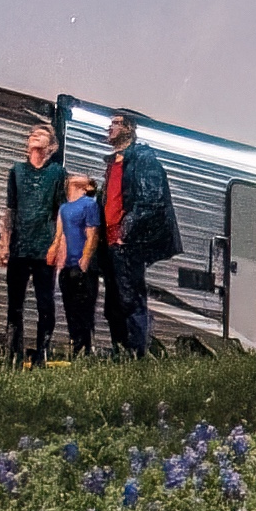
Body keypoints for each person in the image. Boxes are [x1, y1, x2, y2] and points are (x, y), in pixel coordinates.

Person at [99, 107, 181, 360]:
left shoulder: (143, 159)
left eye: (116, 123)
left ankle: (136, 355)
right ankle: (119, 352)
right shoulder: (112, 163)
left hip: (128, 241)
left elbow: (151, 199)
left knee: (130, 298)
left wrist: (127, 230)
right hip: (109, 242)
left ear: (129, 129)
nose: (109, 127)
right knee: (113, 303)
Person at [0, 117, 65, 367]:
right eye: (31, 134)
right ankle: (12, 355)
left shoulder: (57, 172)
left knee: (44, 302)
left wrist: (57, 245)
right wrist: (4, 244)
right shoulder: (16, 171)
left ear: (52, 146)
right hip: (19, 247)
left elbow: (61, 212)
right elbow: (10, 210)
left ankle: (41, 354)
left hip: (44, 247)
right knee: (14, 303)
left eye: (41, 133)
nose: (34, 135)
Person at [50, 168, 102, 358]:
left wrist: (85, 260)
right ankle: (76, 349)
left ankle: (85, 351)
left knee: (84, 311)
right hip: (67, 267)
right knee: (70, 309)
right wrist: (58, 261)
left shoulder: (89, 204)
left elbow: (92, 234)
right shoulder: (64, 208)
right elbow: (60, 235)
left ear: (88, 186)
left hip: (82, 266)